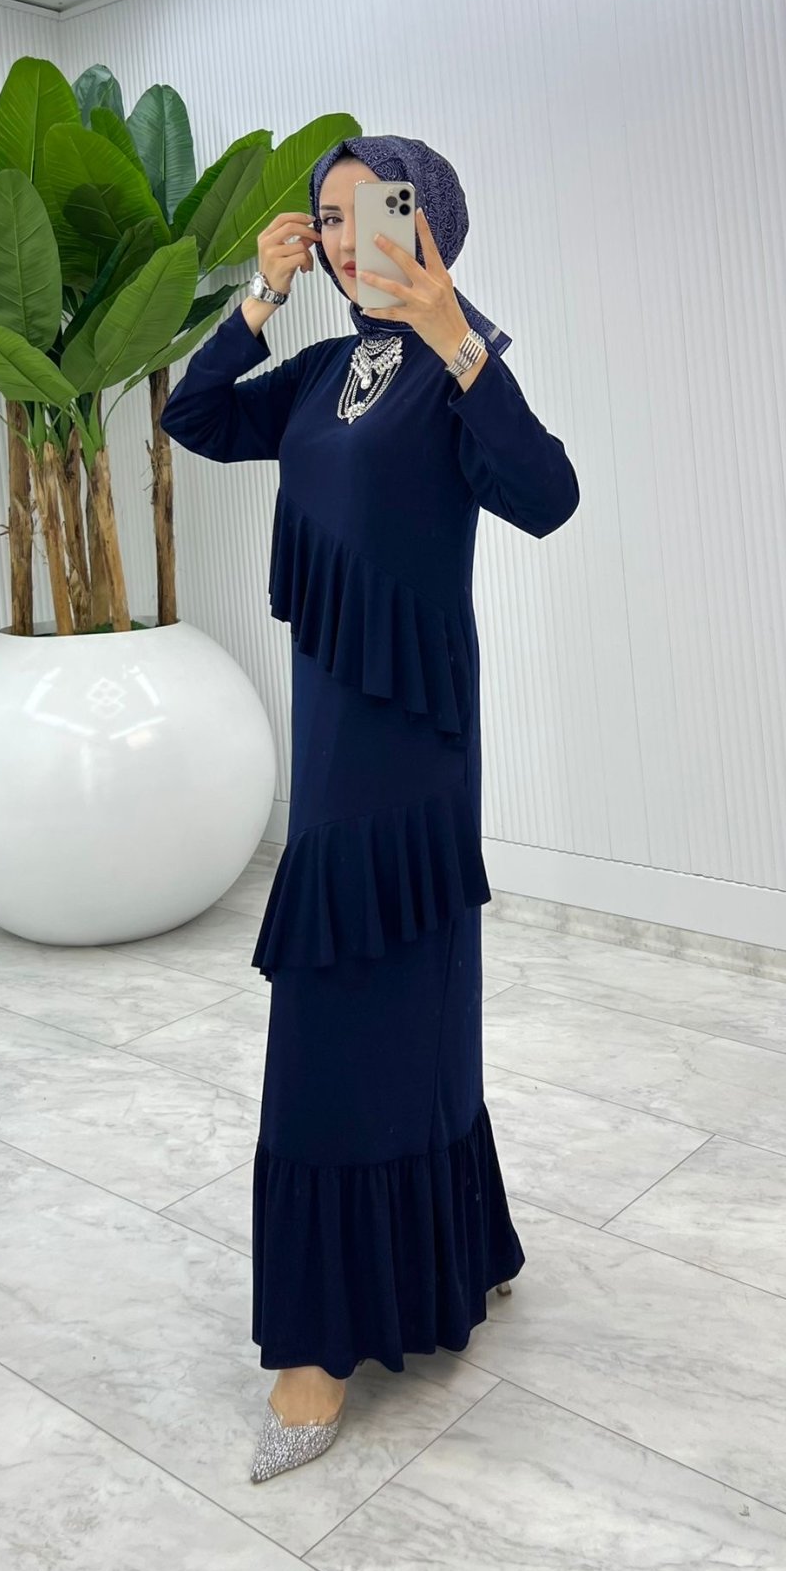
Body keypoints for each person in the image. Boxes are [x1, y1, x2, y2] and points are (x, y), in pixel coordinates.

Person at [160, 136, 580, 1485]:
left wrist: (457, 334)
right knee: (365, 993)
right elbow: (196, 418)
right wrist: (257, 297)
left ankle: (321, 1345)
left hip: (417, 747)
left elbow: (547, 496)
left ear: (430, 221)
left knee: (390, 995)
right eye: (327, 220)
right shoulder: (321, 374)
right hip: (336, 732)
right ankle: (442, 1250)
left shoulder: (461, 364)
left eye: (370, 215)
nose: (345, 239)